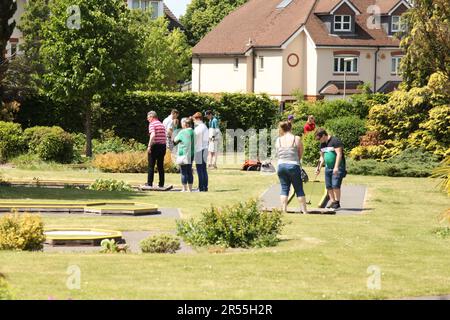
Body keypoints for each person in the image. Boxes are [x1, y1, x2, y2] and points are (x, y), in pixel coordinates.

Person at [275, 121, 308, 214]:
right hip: (293, 165)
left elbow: (278, 153)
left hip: (281, 165)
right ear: (291, 128)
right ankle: (304, 210)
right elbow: (300, 152)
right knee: (299, 189)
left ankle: (284, 210)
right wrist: (297, 160)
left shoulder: (278, 140)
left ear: (282, 128)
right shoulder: (296, 138)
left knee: (284, 188)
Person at [314, 128, 347, 210]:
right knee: (328, 186)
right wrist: (318, 168)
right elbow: (322, 157)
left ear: (324, 135)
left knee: (335, 185)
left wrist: (336, 167)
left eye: (319, 138)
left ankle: (337, 203)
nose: (319, 141)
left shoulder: (335, 141)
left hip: (338, 167)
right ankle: (332, 202)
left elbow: (339, 154)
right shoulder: (322, 144)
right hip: (328, 167)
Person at [174, 118, 195, 192]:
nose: (181, 124)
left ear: (185, 124)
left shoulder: (182, 132)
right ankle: (190, 189)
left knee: (183, 172)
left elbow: (175, 140)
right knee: (189, 171)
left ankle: (184, 188)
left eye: (182, 123)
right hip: (191, 154)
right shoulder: (193, 131)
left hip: (183, 154)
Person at [146, 111, 167, 188]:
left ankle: (149, 183)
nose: (147, 119)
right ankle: (161, 184)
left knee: (151, 165)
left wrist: (149, 146)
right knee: (160, 166)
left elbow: (153, 135)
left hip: (155, 146)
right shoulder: (161, 124)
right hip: (163, 146)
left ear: (152, 117)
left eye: (148, 117)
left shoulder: (152, 124)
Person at [193, 112, 209, 192]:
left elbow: (194, 139)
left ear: (198, 119)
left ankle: (200, 187)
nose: (193, 121)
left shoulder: (198, 128)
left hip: (200, 150)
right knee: (203, 169)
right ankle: (205, 187)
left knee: (200, 170)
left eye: (194, 119)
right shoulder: (205, 127)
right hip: (205, 148)